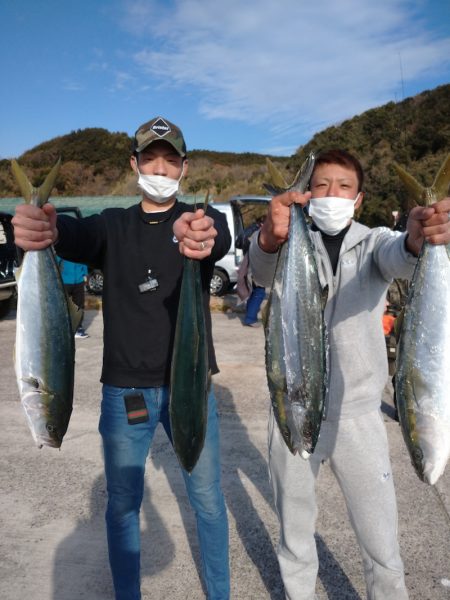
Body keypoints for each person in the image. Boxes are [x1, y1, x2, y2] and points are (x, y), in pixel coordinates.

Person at [12, 116, 231, 600]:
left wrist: (201, 232)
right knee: (123, 505)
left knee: (209, 503)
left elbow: (218, 237)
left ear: (184, 169)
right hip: (125, 391)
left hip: (190, 385)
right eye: (150, 158)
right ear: (134, 164)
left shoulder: (199, 221)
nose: (159, 167)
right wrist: (43, 224)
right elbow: (71, 235)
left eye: (169, 160)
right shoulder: (112, 225)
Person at [248, 149, 450, 600]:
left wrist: (418, 239)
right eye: (320, 185)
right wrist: (268, 236)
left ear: (358, 199)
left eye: (343, 187)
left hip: (359, 416)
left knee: (381, 541)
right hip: (293, 408)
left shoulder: (373, 241)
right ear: (306, 194)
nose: (332, 194)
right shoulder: (286, 240)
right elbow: (258, 276)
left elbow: (399, 255)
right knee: (295, 533)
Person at [235, 217, 266, 327]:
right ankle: (250, 319)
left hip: (249, 266)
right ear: (262, 224)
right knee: (259, 292)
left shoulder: (251, 231)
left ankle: (249, 314)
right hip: (255, 268)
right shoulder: (258, 234)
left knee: (253, 291)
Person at [56, 256, 89, 338]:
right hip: (65, 281)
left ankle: (78, 328)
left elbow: (84, 262)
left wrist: (85, 274)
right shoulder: (63, 249)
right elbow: (56, 261)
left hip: (79, 281)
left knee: (79, 305)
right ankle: (62, 328)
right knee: (63, 306)